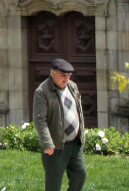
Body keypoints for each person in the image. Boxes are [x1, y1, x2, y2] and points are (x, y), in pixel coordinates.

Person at [32, 57, 86, 191]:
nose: (66, 78)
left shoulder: (72, 86)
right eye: (63, 75)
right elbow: (40, 120)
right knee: (53, 184)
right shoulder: (42, 92)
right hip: (55, 146)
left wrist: (81, 133)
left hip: (74, 143)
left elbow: (78, 110)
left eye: (69, 75)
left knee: (80, 175)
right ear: (52, 73)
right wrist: (47, 143)